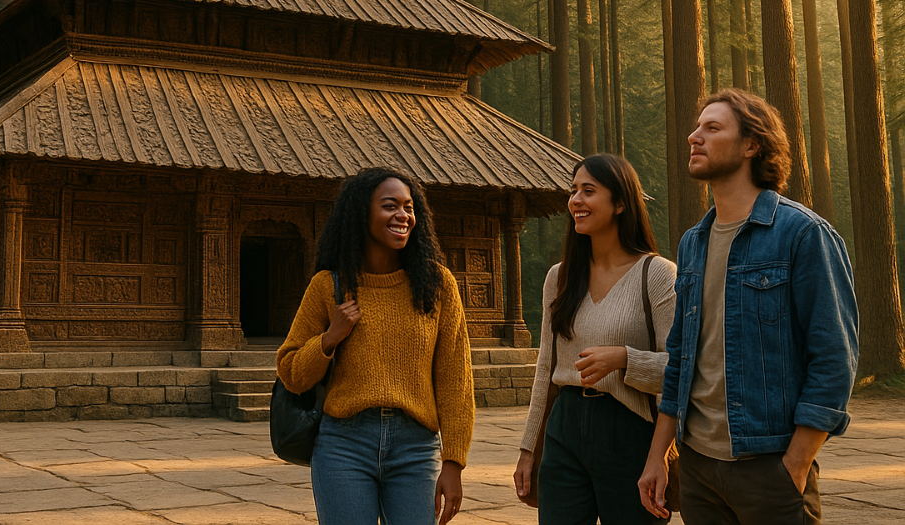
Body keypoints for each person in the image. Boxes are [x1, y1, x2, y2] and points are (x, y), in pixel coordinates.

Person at [638, 89, 858, 524]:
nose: (693, 136)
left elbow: (835, 358)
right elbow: (680, 358)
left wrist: (794, 465)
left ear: (751, 145)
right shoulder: (693, 242)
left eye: (712, 128)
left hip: (769, 464)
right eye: (697, 126)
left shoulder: (802, 234)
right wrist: (658, 456)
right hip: (699, 467)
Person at [276, 167, 474, 525]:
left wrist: (454, 461)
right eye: (389, 206)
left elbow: (455, 380)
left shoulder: (437, 285)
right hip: (343, 446)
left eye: (409, 207)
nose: (403, 216)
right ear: (360, 213)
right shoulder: (328, 286)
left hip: (416, 447)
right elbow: (291, 372)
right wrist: (329, 338)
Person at [513, 154, 676, 524]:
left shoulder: (657, 274)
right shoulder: (560, 277)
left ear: (621, 203)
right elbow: (545, 368)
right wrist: (528, 450)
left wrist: (625, 359)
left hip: (629, 428)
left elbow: (681, 369)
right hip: (564, 428)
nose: (576, 201)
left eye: (589, 191)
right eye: (573, 191)